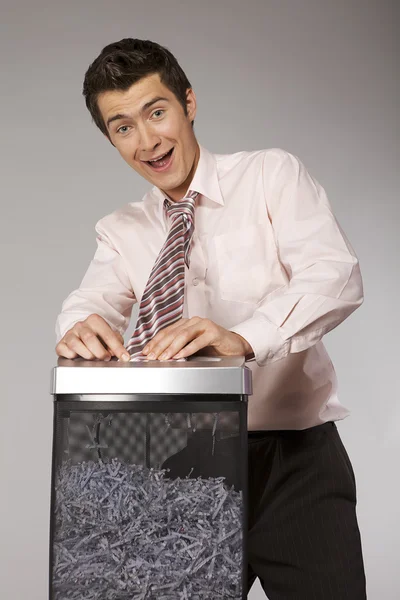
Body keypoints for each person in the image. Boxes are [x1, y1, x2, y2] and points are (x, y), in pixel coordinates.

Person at [55, 38, 367, 598]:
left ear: (188, 103)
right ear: (109, 138)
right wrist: (78, 325)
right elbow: (93, 300)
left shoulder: (270, 176)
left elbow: (335, 275)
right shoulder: (121, 229)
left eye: (157, 112)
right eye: (122, 126)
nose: (147, 141)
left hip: (293, 463)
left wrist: (244, 337)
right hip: (177, 464)